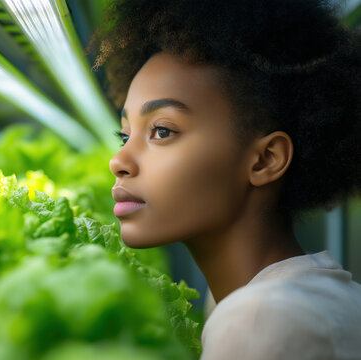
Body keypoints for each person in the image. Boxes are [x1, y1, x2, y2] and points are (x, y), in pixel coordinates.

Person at [88, 0, 361, 359]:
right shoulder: (247, 302)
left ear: (265, 160)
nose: (118, 161)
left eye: (162, 131)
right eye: (125, 136)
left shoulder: (261, 322)